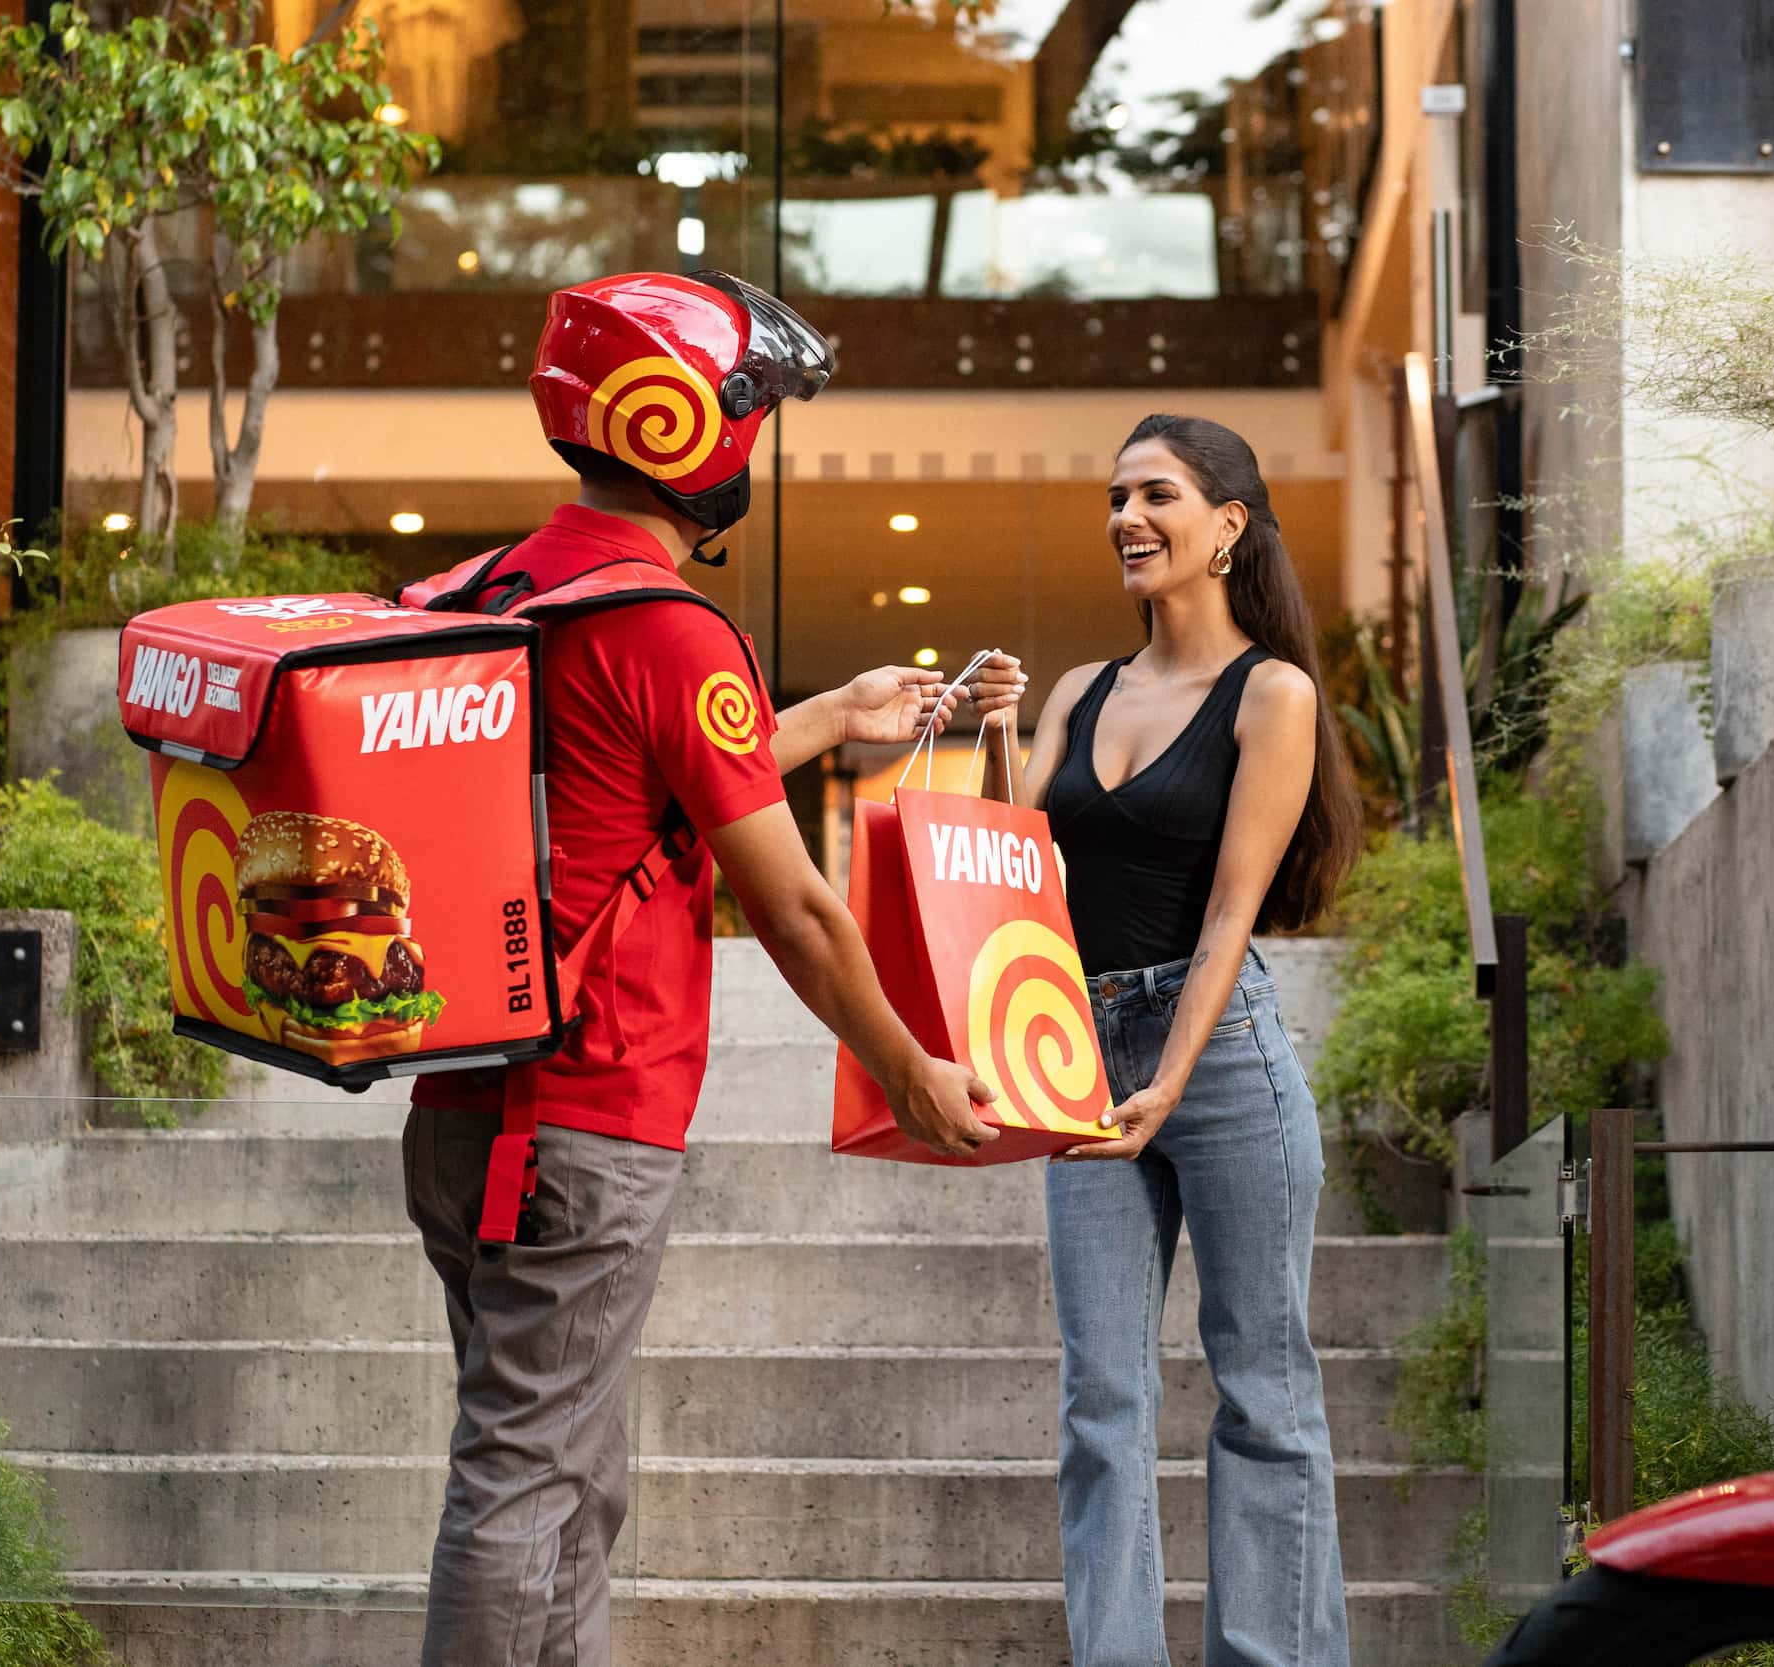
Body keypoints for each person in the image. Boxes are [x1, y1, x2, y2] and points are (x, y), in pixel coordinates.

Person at [400, 269, 1022, 1667]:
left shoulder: (492, 592)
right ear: (694, 431)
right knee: (524, 1476)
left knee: (565, 1467)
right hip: (585, 1116)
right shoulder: (675, 632)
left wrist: (825, 714)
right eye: (755, 415)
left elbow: (629, 787)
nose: (762, 442)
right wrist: (905, 1061)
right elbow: (794, 905)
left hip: (465, 1107)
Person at [982, 414, 1364, 1667]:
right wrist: (994, 730)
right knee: (1102, 1397)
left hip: (1222, 1055)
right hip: (1077, 1049)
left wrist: (1172, 1076)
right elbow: (1010, 868)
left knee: (1262, 1386)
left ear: (1228, 527)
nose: (1126, 518)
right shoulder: (1081, 692)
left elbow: (1229, 910)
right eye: (1114, 497)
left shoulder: (1273, 693)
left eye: (1156, 494)